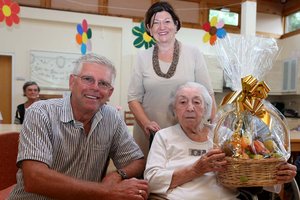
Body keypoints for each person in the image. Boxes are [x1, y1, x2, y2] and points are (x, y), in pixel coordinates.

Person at [8, 53, 148, 200]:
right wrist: (107, 191)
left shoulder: (112, 117)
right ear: (72, 82)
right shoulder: (41, 113)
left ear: (110, 92)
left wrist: (117, 174)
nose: (95, 87)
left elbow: (137, 161)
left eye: (103, 83)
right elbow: (35, 179)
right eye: (88, 79)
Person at [144, 82, 297, 200]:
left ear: (206, 108)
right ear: (174, 110)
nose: (190, 108)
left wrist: (278, 175)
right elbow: (151, 181)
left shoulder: (224, 135)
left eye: (197, 102)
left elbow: (247, 172)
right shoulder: (163, 136)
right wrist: (195, 170)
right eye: (183, 102)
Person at [128, 1, 217, 157]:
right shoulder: (142, 57)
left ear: (176, 25)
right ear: (149, 29)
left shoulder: (193, 53)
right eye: (155, 23)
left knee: (185, 175)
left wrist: (210, 129)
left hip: (186, 134)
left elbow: (208, 95)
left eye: (167, 21)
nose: (162, 27)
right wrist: (146, 124)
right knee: (148, 177)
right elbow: (133, 98)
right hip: (150, 134)